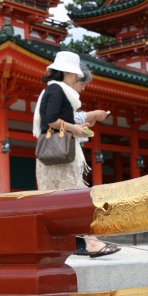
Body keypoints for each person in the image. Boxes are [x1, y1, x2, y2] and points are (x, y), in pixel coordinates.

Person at [33, 50, 120, 258]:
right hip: (60, 156)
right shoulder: (56, 90)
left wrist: (78, 126)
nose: (77, 78)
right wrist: (75, 129)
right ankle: (91, 243)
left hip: (56, 155)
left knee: (62, 198)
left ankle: (81, 243)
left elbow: (55, 119)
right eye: (76, 75)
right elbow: (52, 120)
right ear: (68, 73)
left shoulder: (54, 89)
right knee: (75, 197)